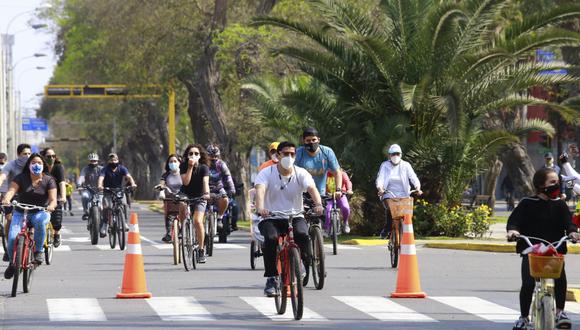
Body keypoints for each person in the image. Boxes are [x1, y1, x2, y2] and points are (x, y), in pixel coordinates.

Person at [507, 167, 580, 330]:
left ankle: (560, 312)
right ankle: (524, 317)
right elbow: (514, 222)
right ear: (540, 185)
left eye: (557, 182)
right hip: (532, 251)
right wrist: (513, 231)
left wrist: (573, 233)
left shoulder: (560, 205)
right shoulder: (527, 203)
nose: (557, 185)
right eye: (552, 182)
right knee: (528, 283)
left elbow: (569, 224)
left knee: (560, 278)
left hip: (555, 250)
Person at [255, 141, 324, 296]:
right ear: (278, 155)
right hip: (271, 217)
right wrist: (260, 208)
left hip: (295, 215)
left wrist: (318, 204)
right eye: (285, 154)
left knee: (302, 235)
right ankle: (272, 277)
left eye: (292, 154)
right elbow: (260, 190)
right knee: (271, 239)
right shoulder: (267, 173)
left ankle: (302, 263)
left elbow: (312, 189)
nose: (289, 157)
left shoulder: (301, 173)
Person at [1, 153, 57, 278]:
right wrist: (6, 199)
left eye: (39, 163)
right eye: (33, 163)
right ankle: (12, 263)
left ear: (43, 165)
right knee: (11, 239)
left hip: (40, 211)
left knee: (40, 222)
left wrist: (51, 206)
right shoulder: (21, 177)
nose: (36, 165)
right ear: (28, 165)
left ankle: (38, 252)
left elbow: (53, 199)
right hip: (21, 212)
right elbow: (11, 190)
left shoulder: (49, 180)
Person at [376, 144, 422, 239]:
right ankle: (388, 228)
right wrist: (380, 189)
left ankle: (405, 232)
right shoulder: (385, 165)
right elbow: (380, 178)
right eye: (393, 154)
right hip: (388, 193)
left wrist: (418, 187)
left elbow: (413, 177)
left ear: (401, 155)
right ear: (389, 155)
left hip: (404, 194)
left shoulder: (406, 165)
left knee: (406, 214)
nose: (395, 156)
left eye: (397, 154)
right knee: (389, 209)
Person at [0, 144, 31, 261]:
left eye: (29, 154)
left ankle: (32, 245)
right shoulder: (11, 165)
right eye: (24, 154)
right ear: (18, 155)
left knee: (32, 219)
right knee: (10, 219)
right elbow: (2, 176)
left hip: (28, 196)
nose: (27, 156)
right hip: (11, 195)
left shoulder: (33, 165)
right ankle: (10, 247)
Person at [180, 144, 211, 263]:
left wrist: (207, 193)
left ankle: (201, 250)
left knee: (198, 221)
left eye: (196, 154)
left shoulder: (204, 168)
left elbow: (205, 182)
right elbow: (186, 182)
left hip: (200, 196)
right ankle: (183, 228)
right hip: (186, 194)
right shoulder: (183, 166)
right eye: (190, 154)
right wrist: (190, 167)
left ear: (200, 156)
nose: (193, 156)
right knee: (182, 203)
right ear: (187, 156)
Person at [295, 128, 342, 201]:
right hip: (301, 196)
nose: (311, 142)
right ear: (303, 141)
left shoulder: (327, 152)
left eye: (314, 140)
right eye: (308, 140)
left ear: (318, 140)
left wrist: (338, 190)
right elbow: (291, 172)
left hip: (321, 195)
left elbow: (337, 172)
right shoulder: (298, 153)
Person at [97, 153, 137, 237]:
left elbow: (128, 176)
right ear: (109, 161)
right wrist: (100, 185)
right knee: (107, 207)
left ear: (118, 160)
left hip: (119, 191)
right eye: (111, 160)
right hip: (108, 191)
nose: (113, 162)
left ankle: (124, 222)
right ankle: (104, 224)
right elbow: (101, 178)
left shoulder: (122, 168)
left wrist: (133, 183)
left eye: (115, 160)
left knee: (124, 204)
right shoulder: (105, 169)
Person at [206, 144, 236, 231]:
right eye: (211, 156)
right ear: (207, 155)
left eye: (216, 156)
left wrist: (232, 189)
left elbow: (228, 177)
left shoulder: (221, 164)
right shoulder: (203, 164)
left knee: (226, 199)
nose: (213, 158)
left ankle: (220, 218)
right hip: (204, 188)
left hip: (218, 188)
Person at [40, 147, 66, 248]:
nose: (51, 158)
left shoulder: (58, 167)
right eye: (49, 156)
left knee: (57, 219)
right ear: (43, 157)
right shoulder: (40, 167)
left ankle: (56, 234)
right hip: (42, 195)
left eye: (53, 156)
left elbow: (62, 183)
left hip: (56, 195)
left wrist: (63, 197)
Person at [156, 154, 185, 243]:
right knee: (169, 216)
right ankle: (168, 233)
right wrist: (160, 187)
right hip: (170, 199)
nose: (173, 163)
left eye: (175, 161)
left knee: (185, 213)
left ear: (179, 163)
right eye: (171, 162)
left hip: (183, 198)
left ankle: (184, 230)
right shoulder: (166, 175)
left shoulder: (184, 173)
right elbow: (162, 183)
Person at [77, 153, 103, 220]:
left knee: (103, 206)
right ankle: (86, 212)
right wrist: (79, 184)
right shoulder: (85, 169)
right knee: (84, 196)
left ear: (98, 161)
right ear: (89, 161)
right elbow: (82, 177)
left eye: (95, 161)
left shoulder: (101, 169)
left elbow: (106, 177)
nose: (93, 163)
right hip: (88, 190)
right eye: (91, 161)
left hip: (100, 191)